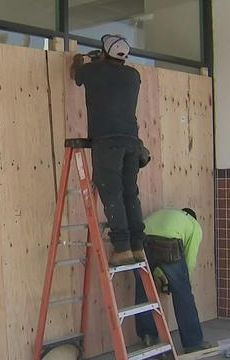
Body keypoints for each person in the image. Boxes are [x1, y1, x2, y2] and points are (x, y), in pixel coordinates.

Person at [70, 34, 147, 266]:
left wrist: (83, 60)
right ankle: (137, 246)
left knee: (111, 192)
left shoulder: (94, 71)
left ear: (104, 53)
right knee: (129, 193)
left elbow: (76, 73)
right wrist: (100, 61)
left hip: (108, 142)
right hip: (132, 142)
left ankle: (122, 249)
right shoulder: (134, 76)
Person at [134, 208, 210, 353]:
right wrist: (184, 282)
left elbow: (154, 258)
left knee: (143, 288)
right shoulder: (194, 225)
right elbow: (190, 260)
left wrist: (160, 275)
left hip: (141, 240)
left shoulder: (168, 213)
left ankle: (147, 335)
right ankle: (193, 343)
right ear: (194, 217)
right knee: (183, 295)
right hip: (168, 243)